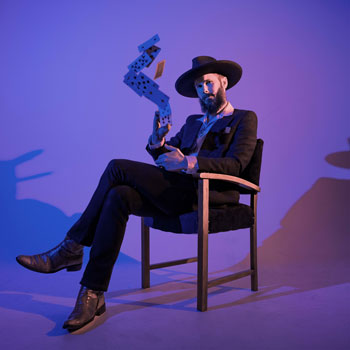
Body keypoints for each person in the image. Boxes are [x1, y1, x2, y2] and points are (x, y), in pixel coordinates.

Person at [16, 56, 258, 332]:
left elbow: (238, 164)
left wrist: (189, 163)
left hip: (207, 194)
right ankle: (92, 293)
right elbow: (165, 154)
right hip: (176, 190)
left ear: (223, 82)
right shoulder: (192, 122)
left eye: (210, 82)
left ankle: (70, 247)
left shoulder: (243, 118)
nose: (205, 89)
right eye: (200, 84)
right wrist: (158, 142)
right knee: (119, 194)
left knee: (117, 167)